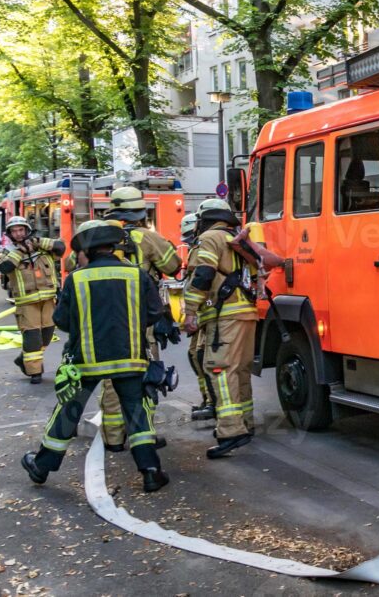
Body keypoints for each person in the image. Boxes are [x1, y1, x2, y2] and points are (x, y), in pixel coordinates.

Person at [20, 220, 169, 492]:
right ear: (112, 247)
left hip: (86, 361)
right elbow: (155, 312)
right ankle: (150, 472)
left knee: (68, 411)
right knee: (137, 413)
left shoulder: (77, 279)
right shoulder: (137, 275)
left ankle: (41, 467)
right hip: (130, 359)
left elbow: (61, 320)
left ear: (86, 251)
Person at [94, 187, 181, 452]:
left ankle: (113, 437)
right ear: (141, 213)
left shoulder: (96, 238)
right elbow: (174, 266)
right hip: (141, 320)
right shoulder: (147, 237)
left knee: (111, 377)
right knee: (144, 375)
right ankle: (143, 436)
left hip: (106, 320)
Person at [182, 199, 259, 458]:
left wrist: (190, 312)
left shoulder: (210, 238)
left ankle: (230, 431)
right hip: (247, 313)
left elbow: (203, 275)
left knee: (219, 369)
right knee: (240, 370)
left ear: (204, 219)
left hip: (224, 315)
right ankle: (245, 422)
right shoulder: (239, 239)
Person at [0, 216, 64, 383]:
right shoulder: (6, 252)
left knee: (47, 335)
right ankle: (35, 372)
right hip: (26, 303)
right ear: (10, 234)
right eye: (14, 231)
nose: (18, 234)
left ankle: (23, 358)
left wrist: (37, 242)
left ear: (27, 230)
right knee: (33, 337)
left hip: (48, 299)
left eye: (21, 230)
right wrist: (20, 251)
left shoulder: (41, 247)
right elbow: (4, 267)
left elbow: (61, 248)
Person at [180, 212, 217, 421]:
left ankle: (213, 402)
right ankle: (207, 399)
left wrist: (191, 313)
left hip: (206, 310)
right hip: (201, 311)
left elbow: (201, 280)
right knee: (195, 355)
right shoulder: (198, 246)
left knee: (202, 356)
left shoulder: (204, 246)